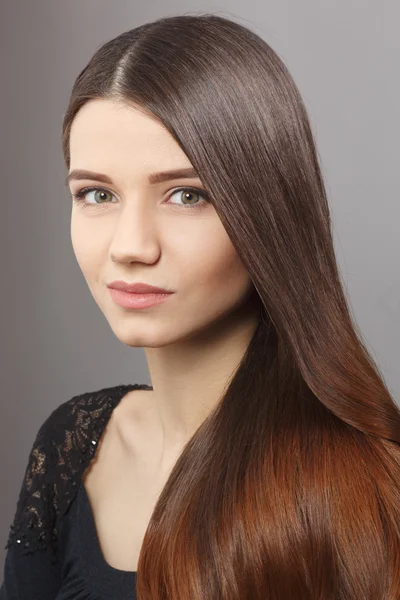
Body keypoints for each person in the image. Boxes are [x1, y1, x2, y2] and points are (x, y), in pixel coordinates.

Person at [1, 12, 400, 600]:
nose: (130, 246)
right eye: (96, 194)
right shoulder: (72, 444)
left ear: (267, 210)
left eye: (186, 195)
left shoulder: (371, 486)